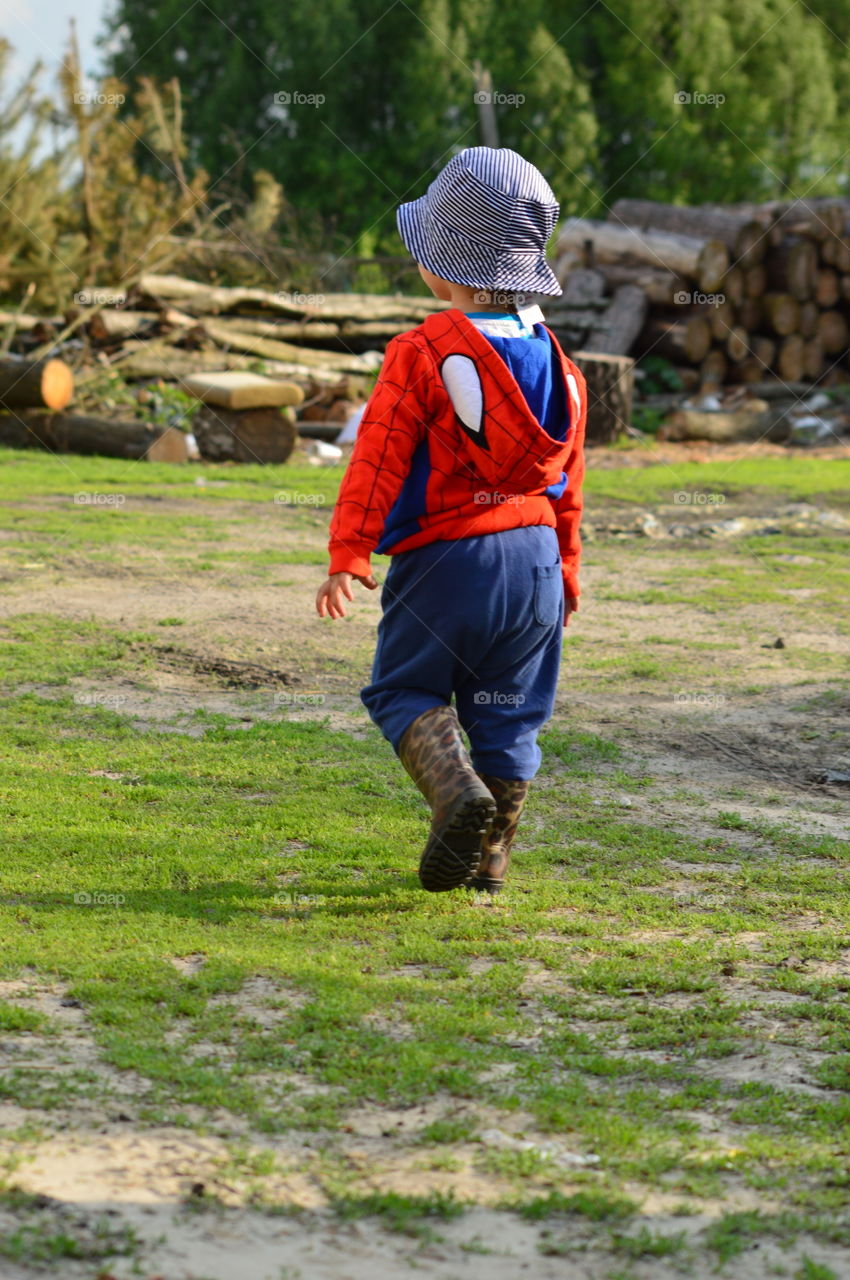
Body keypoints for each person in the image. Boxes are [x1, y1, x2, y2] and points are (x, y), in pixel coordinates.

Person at [315, 147, 587, 895]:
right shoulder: (563, 365)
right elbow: (571, 483)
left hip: (447, 566)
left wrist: (350, 550)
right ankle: (493, 855)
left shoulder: (425, 350)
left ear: (449, 266)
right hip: (534, 565)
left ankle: (453, 793)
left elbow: (378, 457)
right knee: (509, 715)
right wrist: (566, 570)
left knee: (403, 690)